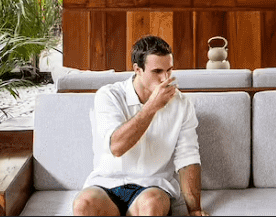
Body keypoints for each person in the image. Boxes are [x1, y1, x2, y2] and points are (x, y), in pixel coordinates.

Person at [72, 35, 207, 216]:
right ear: (138, 69)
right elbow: (117, 147)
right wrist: (152, 107)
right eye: (157, 71)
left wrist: (195, 210)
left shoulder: (181, 103)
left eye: (169, 70)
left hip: (152, 187)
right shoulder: (109, 95)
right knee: (83, 205)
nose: (165, 79)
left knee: (152, 205)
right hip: (106, 185)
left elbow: (188, 158)